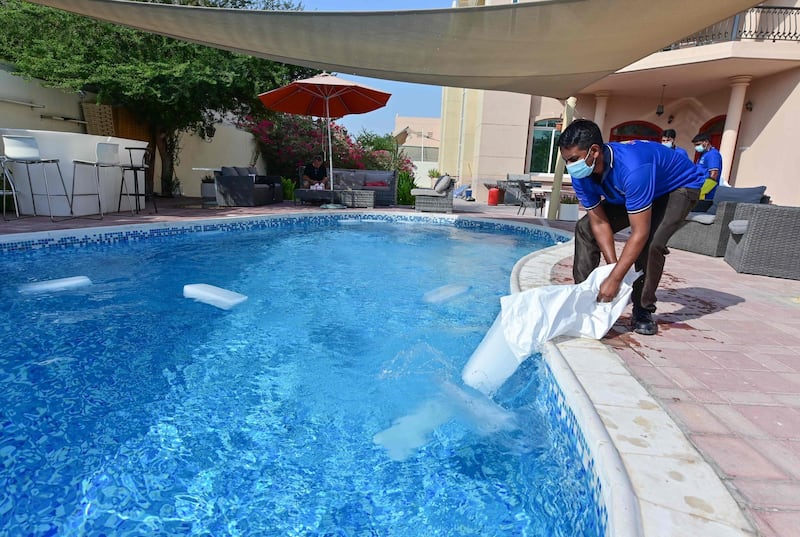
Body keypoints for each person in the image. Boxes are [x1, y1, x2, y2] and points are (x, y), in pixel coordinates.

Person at [558, 119, 704, 335]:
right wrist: (613, 269)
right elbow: (599, 222)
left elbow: (639, 233)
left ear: (594, 151)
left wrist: (616, 279)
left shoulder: (632, 169)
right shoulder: (582, 174)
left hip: (678, 186)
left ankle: (643, 309)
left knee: (652, 243)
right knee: (585, 227)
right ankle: (585, 297)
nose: (570, 166)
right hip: (642, 186)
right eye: (566, 161)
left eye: (573, 159)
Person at [691, 132, 722, 200]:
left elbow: (714, 174)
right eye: (695, 145)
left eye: (698, 144)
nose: (696, 147)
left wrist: (703, 191)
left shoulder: (713, 154)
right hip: (698, 188)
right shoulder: (703, 154)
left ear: (706, 142)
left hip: (706, 194)